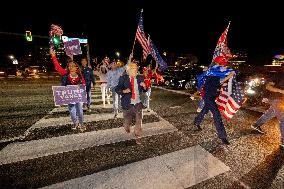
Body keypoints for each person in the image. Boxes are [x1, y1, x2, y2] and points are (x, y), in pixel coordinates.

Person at [193, 56, 235, 145]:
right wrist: (230, 75)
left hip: (211, 95)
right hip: (208, 96)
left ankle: (196, 122)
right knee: (216, 114)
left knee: (205, 110)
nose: (224, 65)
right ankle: (223, 136)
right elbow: (220, 81)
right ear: (219, 63)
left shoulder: (214, 71)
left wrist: (229, 73)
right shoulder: (213, 72)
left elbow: (223, 74)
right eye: (223, 63)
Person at [50, 49, 86, 132]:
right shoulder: (65, 74)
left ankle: (81, 124)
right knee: (72, 111)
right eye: (69, 66)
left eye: (72, 65)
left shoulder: (80, 76)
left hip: (78, 97)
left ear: (76, 67)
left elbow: (83, 85)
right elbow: (57, 66)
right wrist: (53, 56)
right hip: (69, 97)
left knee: (80, 111)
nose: (70, 67)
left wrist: (80, 86)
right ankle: (75, 123)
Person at [115, 59, 147, 145]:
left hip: (138, 103)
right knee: (127, 122)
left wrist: (144, 86)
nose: (136, 70)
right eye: (133, 69)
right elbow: (117, 89)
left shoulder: (140, 77)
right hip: (127, 104)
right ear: (128, 70)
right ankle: (127, 126)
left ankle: (138, 136)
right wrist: (124, 91)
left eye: (136, 69)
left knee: (138, 121)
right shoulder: (123, 78)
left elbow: (145, 89)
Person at [251, 71, 284, 149]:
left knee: (269, 114)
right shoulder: (279, 75)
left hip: (280, 101)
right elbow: (268, 86)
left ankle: (256, 125)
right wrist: (281, 91)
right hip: (277, 99)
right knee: (283, 120)